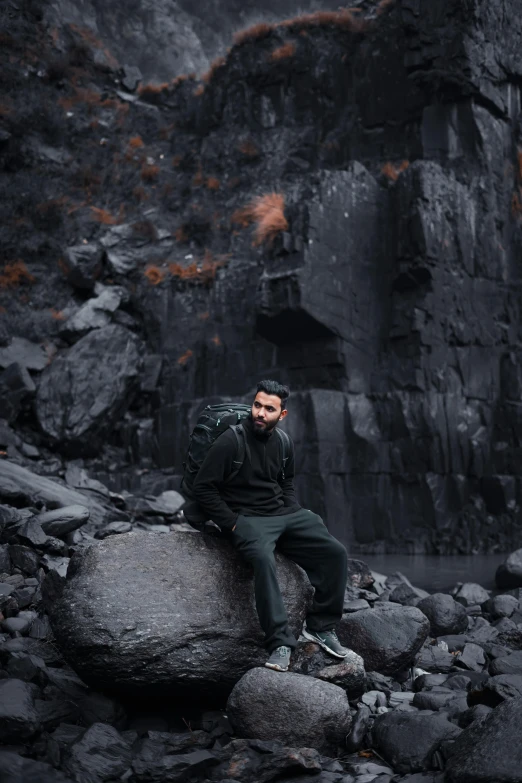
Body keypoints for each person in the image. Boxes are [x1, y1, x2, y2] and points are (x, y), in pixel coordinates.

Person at [191, 379, 349, 672]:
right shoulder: (231, 440)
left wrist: (292, 510)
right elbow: (203, 488)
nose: (260, 413)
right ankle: (279, 642)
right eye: (257, 405)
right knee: (264, 561)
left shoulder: (284, 442)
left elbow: (285, 481)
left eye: (269, 409)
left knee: (336, 553)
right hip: (247, 519)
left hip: (282, 513)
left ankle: (321, 626)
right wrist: (233, 524)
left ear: (282, 414)